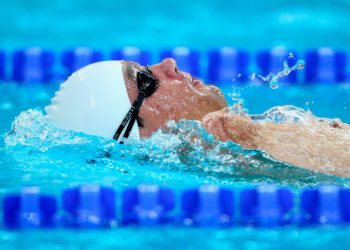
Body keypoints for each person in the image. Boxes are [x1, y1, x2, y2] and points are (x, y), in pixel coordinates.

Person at [46, 58, 350, 177]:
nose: (169, 64)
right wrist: (257, 138)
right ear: (144, 134)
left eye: (147, 66)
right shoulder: (244, 156)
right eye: (146, 81)